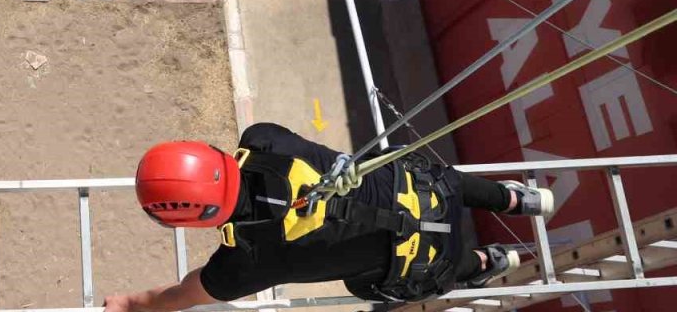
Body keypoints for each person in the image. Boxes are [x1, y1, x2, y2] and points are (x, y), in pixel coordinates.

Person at [104, 123, 555, 312]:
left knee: (366, 282)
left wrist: (131, 304)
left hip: (420, 259)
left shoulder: (243, 262)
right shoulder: (263, 139)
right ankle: (517, 200)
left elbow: (183, 295)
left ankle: (487, 263)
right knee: (433, 178)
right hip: (427, 195)